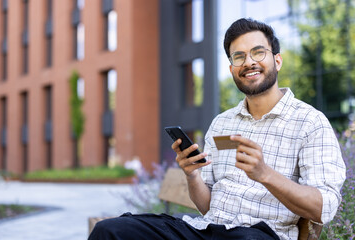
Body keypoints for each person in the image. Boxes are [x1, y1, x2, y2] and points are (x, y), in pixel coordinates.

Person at [88, 18, 346, 240]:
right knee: (110, 231)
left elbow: (325, 207)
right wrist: (192, 176)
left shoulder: (311, 123)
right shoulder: (222, 123)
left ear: (277, 60)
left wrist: (265, 174)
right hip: (207, 229)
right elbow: (206, 206)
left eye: (258, 52)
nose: (249, 62)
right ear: (232, 68)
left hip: (259, 234)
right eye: (239, 56)